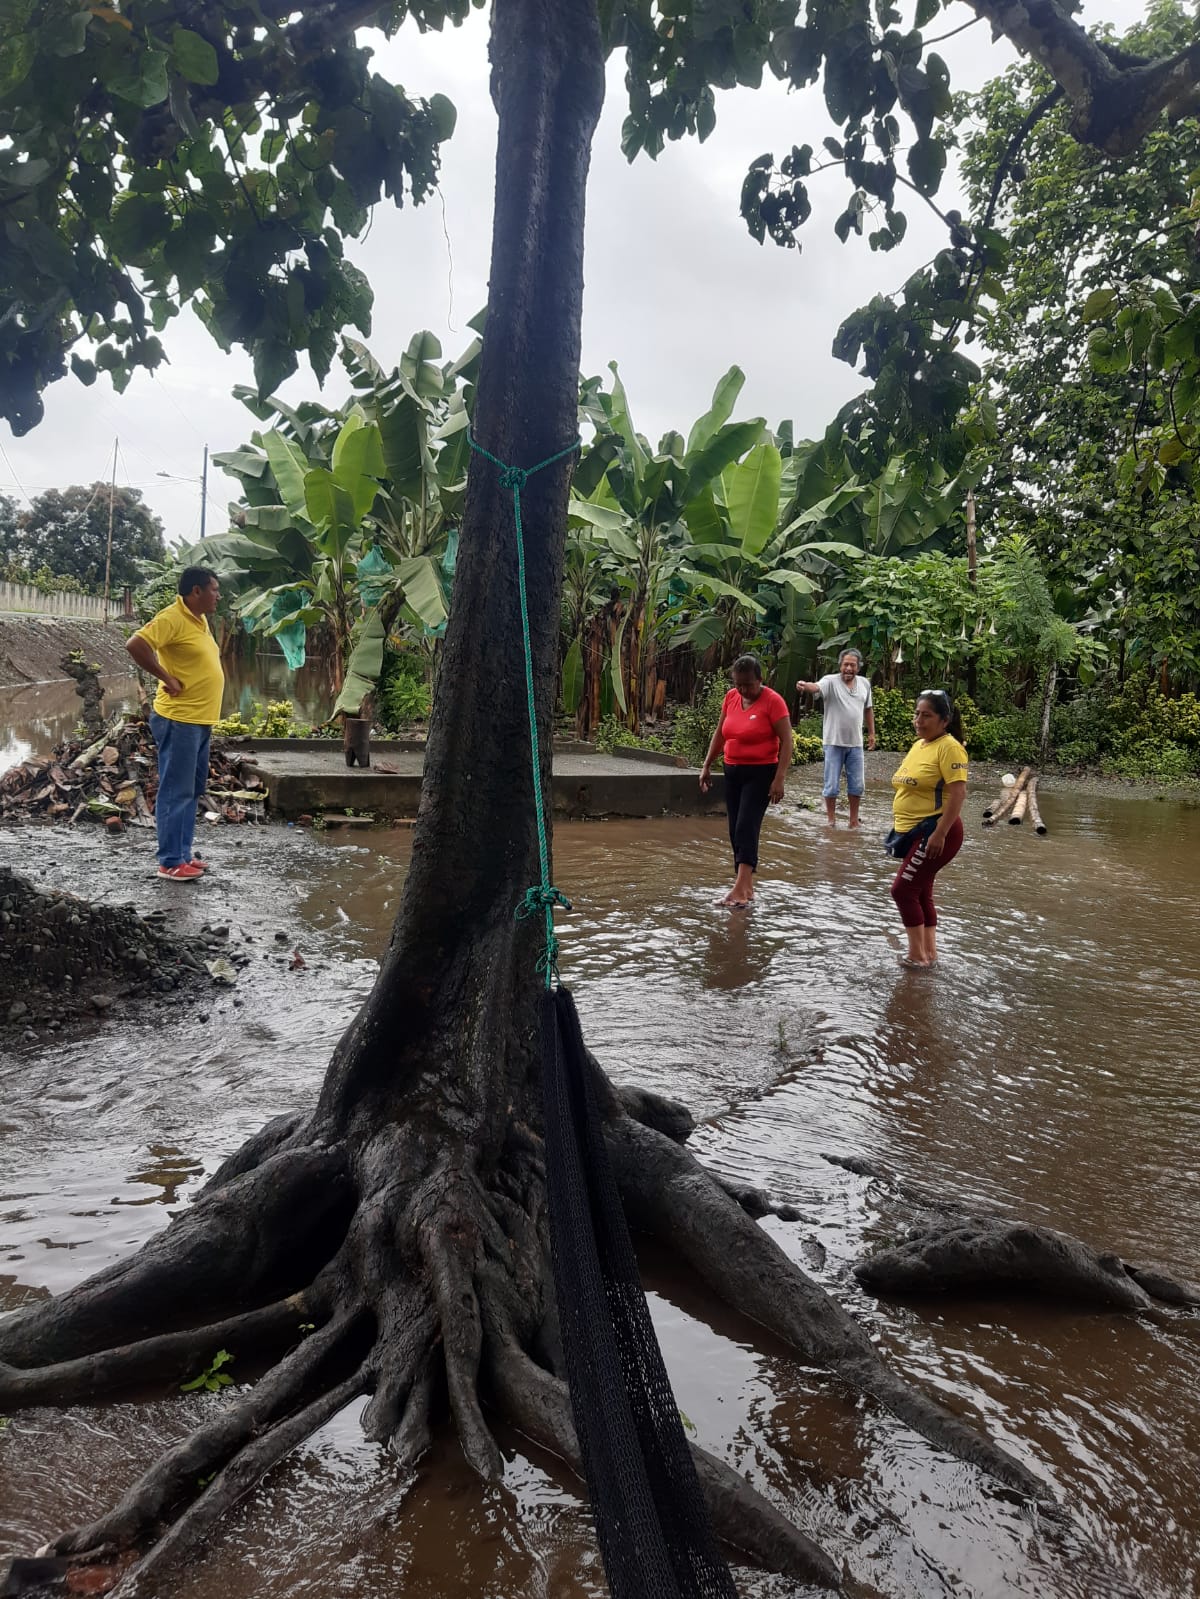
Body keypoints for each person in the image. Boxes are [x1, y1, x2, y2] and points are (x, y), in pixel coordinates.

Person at [126, 566, 224, 882]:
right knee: (175, 790)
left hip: (199, 720)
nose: (218, 596)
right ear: (196, 591)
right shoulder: (171, 617)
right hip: (179, 719)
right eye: (214, 590)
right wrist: (166, 678)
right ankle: (169, 862)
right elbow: (136, 644)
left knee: (192, 789)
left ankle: (182, 854)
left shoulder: (199, 619)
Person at [699, 654, 792, 909]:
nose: (743, 690)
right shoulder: (731, 697)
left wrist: (779, 778)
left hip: (760, 773)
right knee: (734, 830)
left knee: (746, 827)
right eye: (738, 684)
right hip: (732, 771)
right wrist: (707, 765)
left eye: (748, 685)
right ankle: (746, 887)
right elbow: (720, 734)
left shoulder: (773, 702)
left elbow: (787, 742)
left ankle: (739, 890)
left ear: (760, 679)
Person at [886, 688, 969, 969]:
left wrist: (939, 833)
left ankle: (916, 957)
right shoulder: (919, 745)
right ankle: (929, 954)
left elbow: (958, 794)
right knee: (920, 891)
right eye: (917, 714)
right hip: (914, 831)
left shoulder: (949, 747)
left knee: (902, 890)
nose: (918, 721)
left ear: (944, 721)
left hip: (935, 831)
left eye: (927, 716)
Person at [796, 648, 875, 827]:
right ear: (840, 665)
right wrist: (804, 685)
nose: (849, 668)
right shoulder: (830, 681)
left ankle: (853, 821)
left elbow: (868, 709)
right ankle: (831, 821)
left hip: (856, 744)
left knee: (857, 786)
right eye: (846, 664)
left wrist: (871, 733)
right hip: (833, 743)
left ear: (858, 667)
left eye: (852, 665)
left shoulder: (864, 684)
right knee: (831, 785)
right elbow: (816, 687)